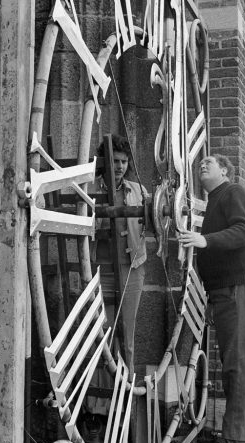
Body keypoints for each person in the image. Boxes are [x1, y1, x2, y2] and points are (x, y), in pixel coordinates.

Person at [178, 154, 245, 443]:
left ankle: (234, 439)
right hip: (225, 288)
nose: (203, 165)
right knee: (244, 359)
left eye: (210, 163)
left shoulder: (234, 193)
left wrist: (205, 241)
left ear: (226, 171)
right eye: (200, 163)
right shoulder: (217, 198)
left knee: (235, 362)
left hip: (235, 286)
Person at [90, 134, 148, 374]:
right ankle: (99, 404)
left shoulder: (138, 191)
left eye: (124, 161)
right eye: (115, 161)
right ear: (104, 161)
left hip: (132, 268)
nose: (120, 167)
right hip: (101, 271)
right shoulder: (89, 189)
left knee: (127, 333)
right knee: (102, 332)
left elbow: (153, 220)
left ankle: (125, 391)